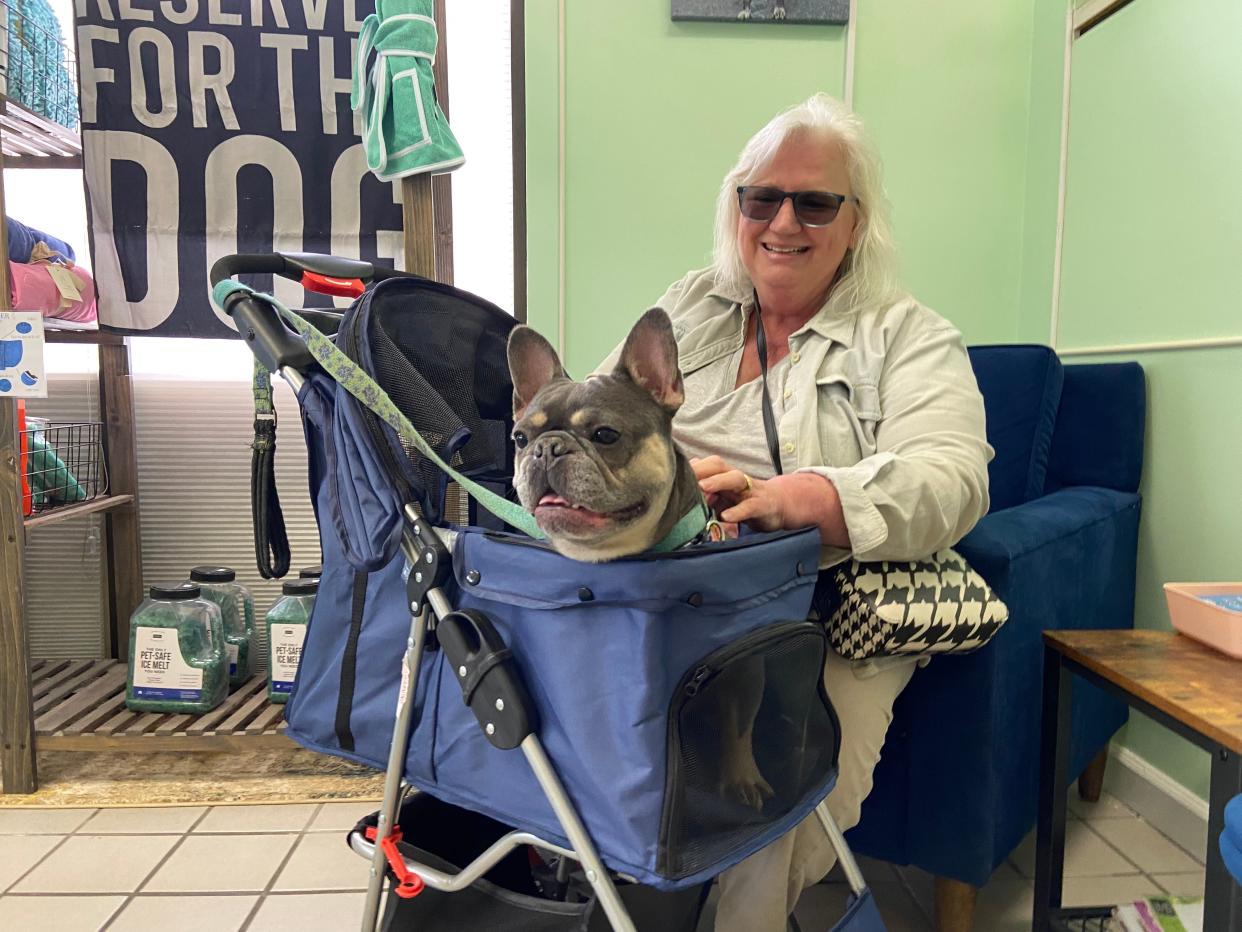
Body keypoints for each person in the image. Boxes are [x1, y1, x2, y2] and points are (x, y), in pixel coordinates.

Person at [601, 93, 992, 931]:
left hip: (822, 609)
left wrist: (803, 501)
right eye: (762, 198)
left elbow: (955, 477)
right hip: (664, 594)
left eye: (815, 202)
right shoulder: (691, 304)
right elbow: (601, 418)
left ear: (856, 224)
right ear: (735, 208)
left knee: (777, 802)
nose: (784, 221)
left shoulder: (909, 336)